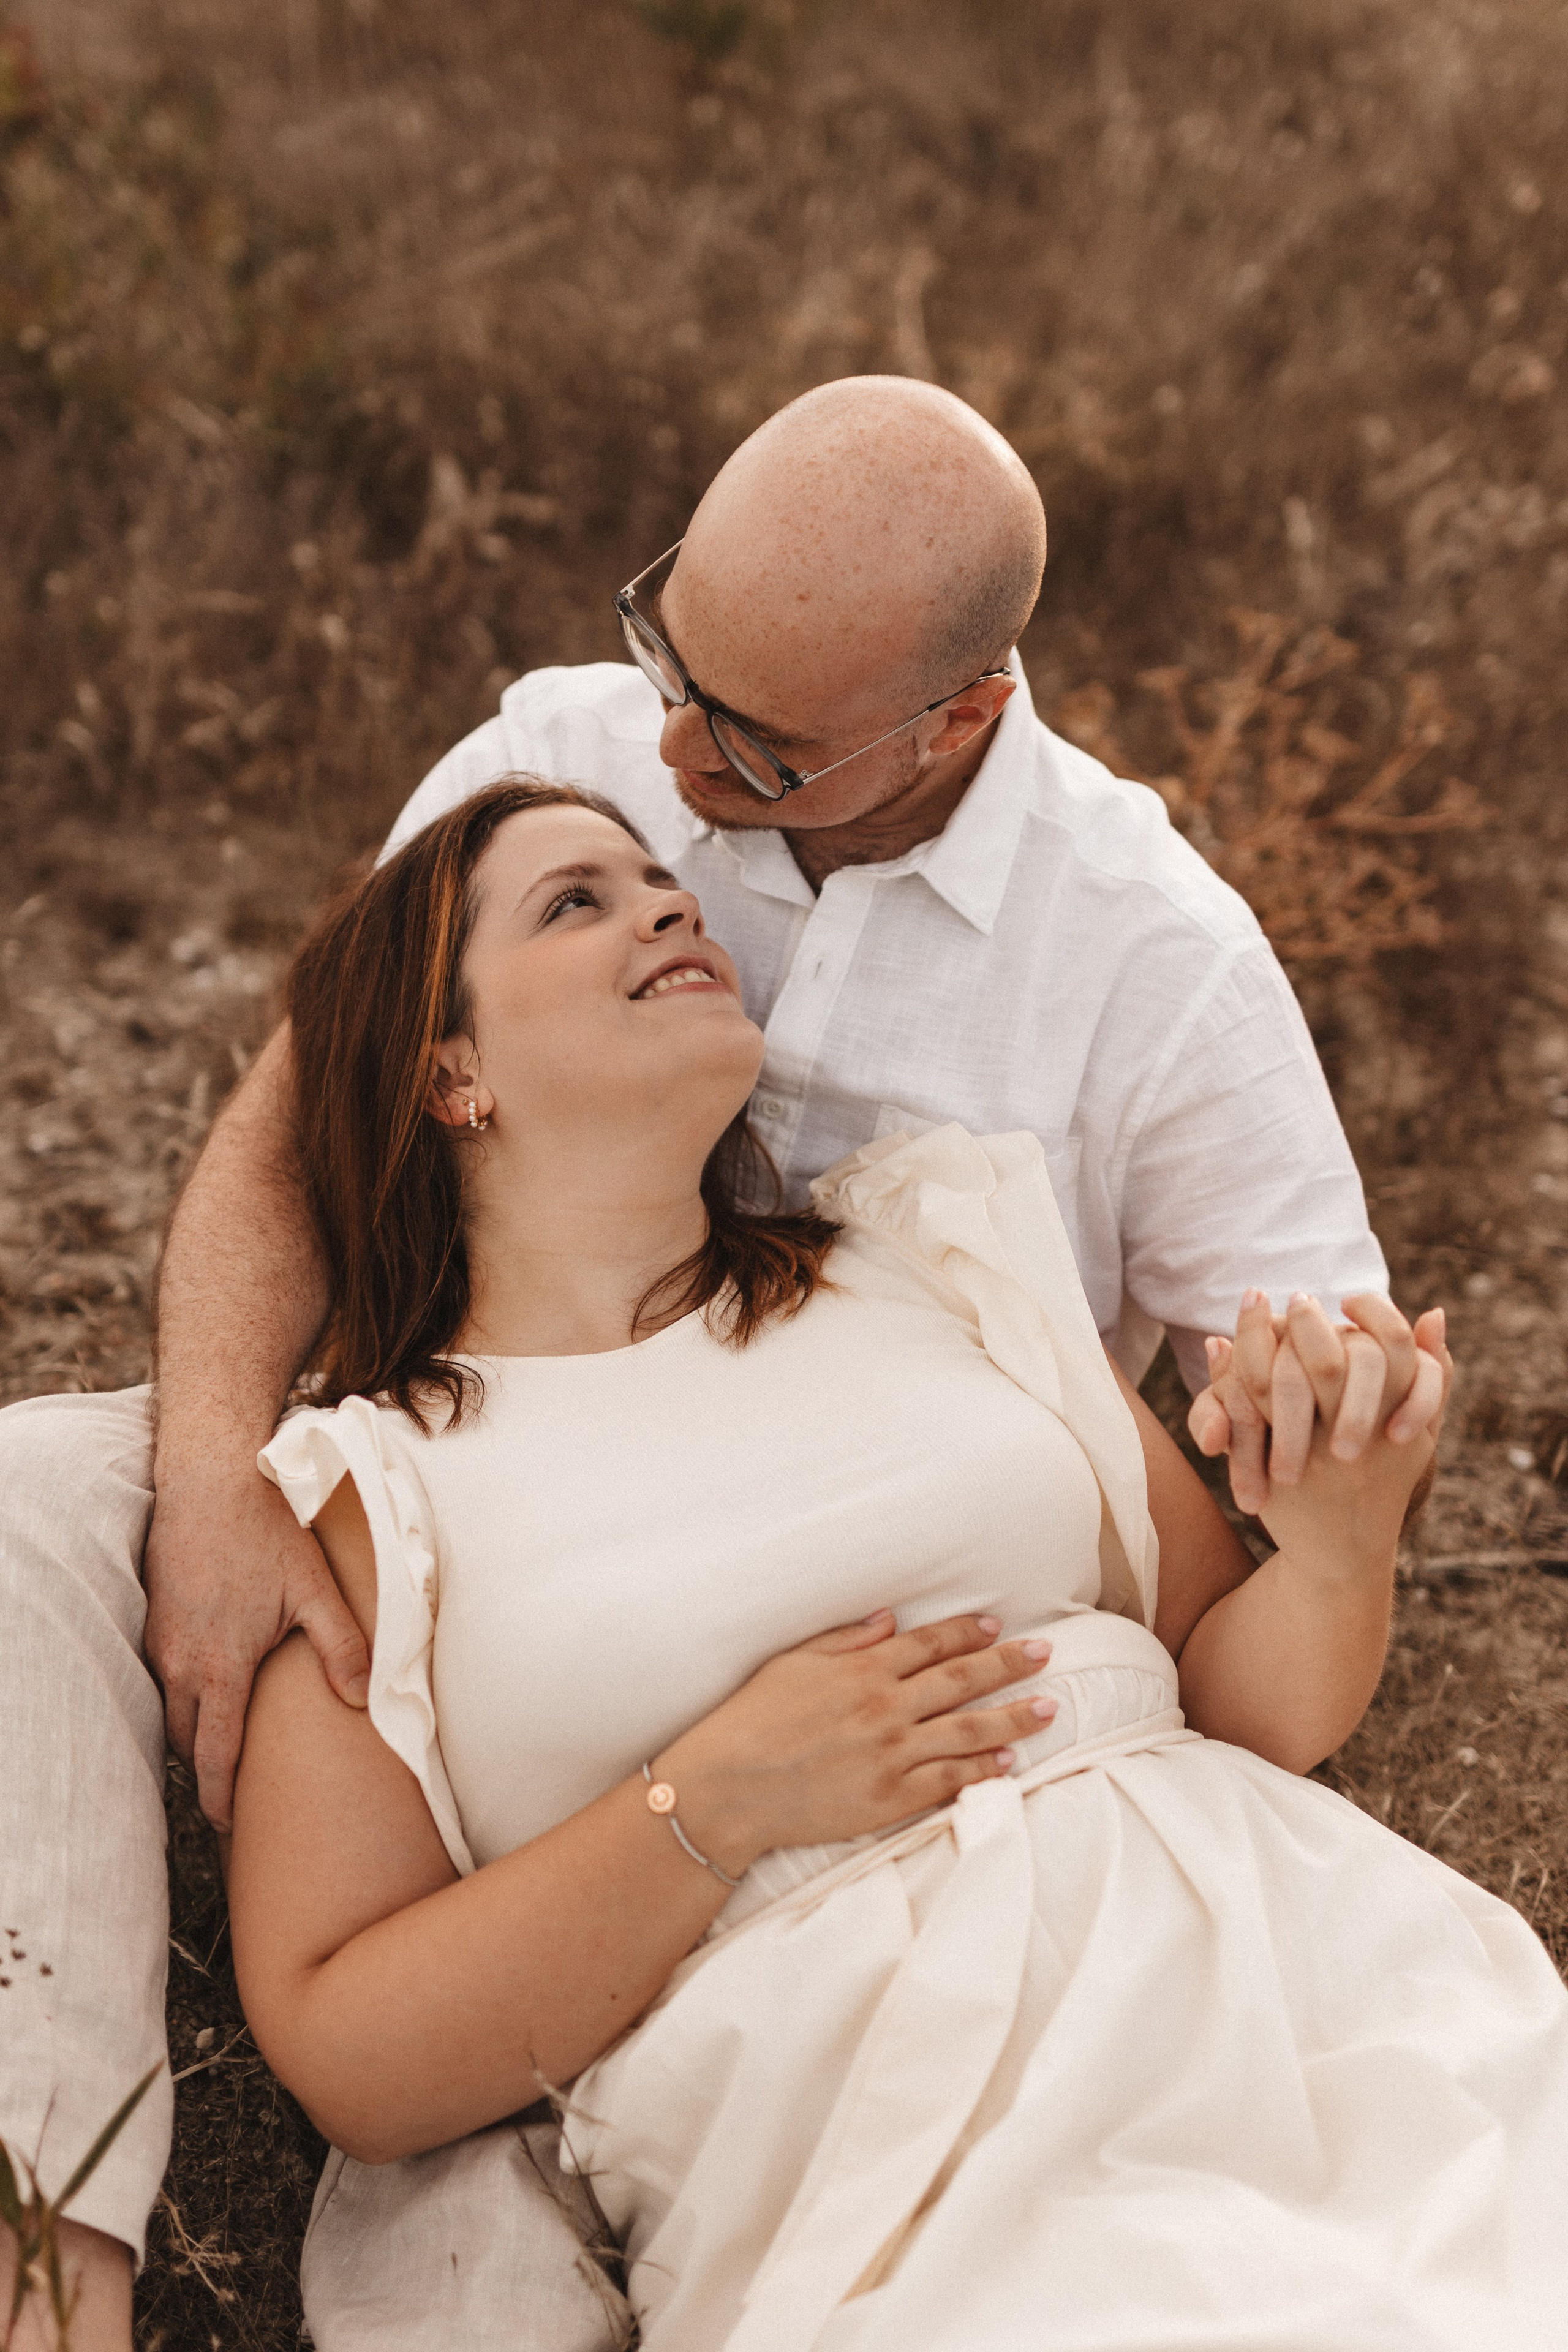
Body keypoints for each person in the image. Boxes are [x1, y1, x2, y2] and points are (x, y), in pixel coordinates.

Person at [0, 377, 1412, 2343]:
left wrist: (1330, 1476)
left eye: (742, 750)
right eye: (669, 648)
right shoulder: (573, 749)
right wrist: (239, 1474)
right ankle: (42, 2258)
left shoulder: (1125, 997)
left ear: (953, 723)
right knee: (38, 1502)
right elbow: (311, 1097)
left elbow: (1309, 1372)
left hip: (949, 1580)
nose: (667, 766)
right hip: (517, 1491)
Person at [223, 778, 1567, 2352]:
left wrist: (1340, 1546)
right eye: (573, 902)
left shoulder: (936, 1258)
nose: (670, 906)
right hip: (893, 2131)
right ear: (448, 1070)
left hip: (1289, 1990)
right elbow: (351, 2053)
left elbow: (1237, 1705)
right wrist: (707, 1806)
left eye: (661, 880)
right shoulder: (375, 1492)